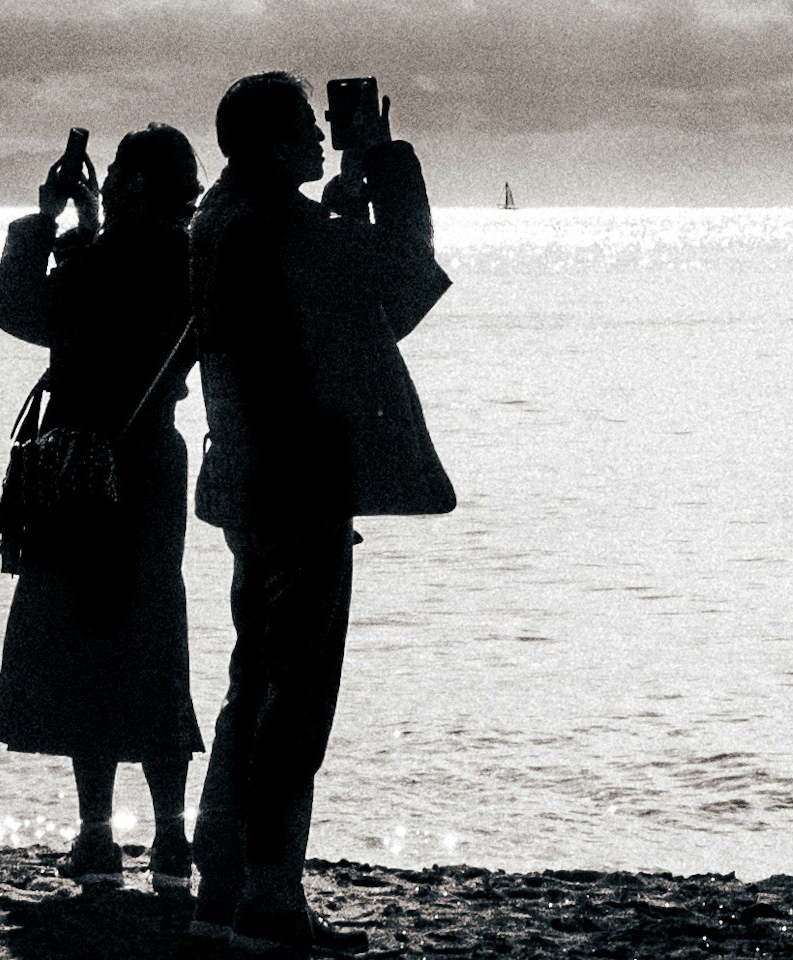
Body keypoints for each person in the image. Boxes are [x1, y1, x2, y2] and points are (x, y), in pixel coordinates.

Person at [187, 75, 452, 956]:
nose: (317, 134)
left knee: (248, 688)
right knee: (296, 698)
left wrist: (337, 211)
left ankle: (219, 887)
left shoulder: (223, 218)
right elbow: (403, 280)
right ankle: (270, 895)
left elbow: (329, 300)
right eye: (305, 126)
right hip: (300, 483)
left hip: (247, 482)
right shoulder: (283, 227)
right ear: (266, 144)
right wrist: (382, 160)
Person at [0, 123, 207, 894]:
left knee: (88, 641)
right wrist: (87, 226)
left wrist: (46, 219)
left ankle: (96, 836)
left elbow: (19, 309)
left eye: (117, 173)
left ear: (138, 185)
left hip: (81, 464)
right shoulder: (193, 260)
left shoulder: (103, 264)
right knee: (152, 639)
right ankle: (175, 839)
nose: (108, 181)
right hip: (153, 463)